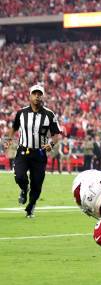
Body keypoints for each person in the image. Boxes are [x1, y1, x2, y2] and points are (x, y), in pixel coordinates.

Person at [2, 85, 61, 217]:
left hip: (39, 153)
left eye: (39, 94)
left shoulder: (49, 114)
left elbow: (56, 134)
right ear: (29, 96)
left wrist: (51, 144)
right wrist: (8, 140)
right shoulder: (21, 113)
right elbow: (14, 128)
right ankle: (24, 189)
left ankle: (31, 206)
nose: (37, 96)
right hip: (23, 150)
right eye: (34, 93)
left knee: (37, 182)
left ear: (43, 96)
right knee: (19, 176)